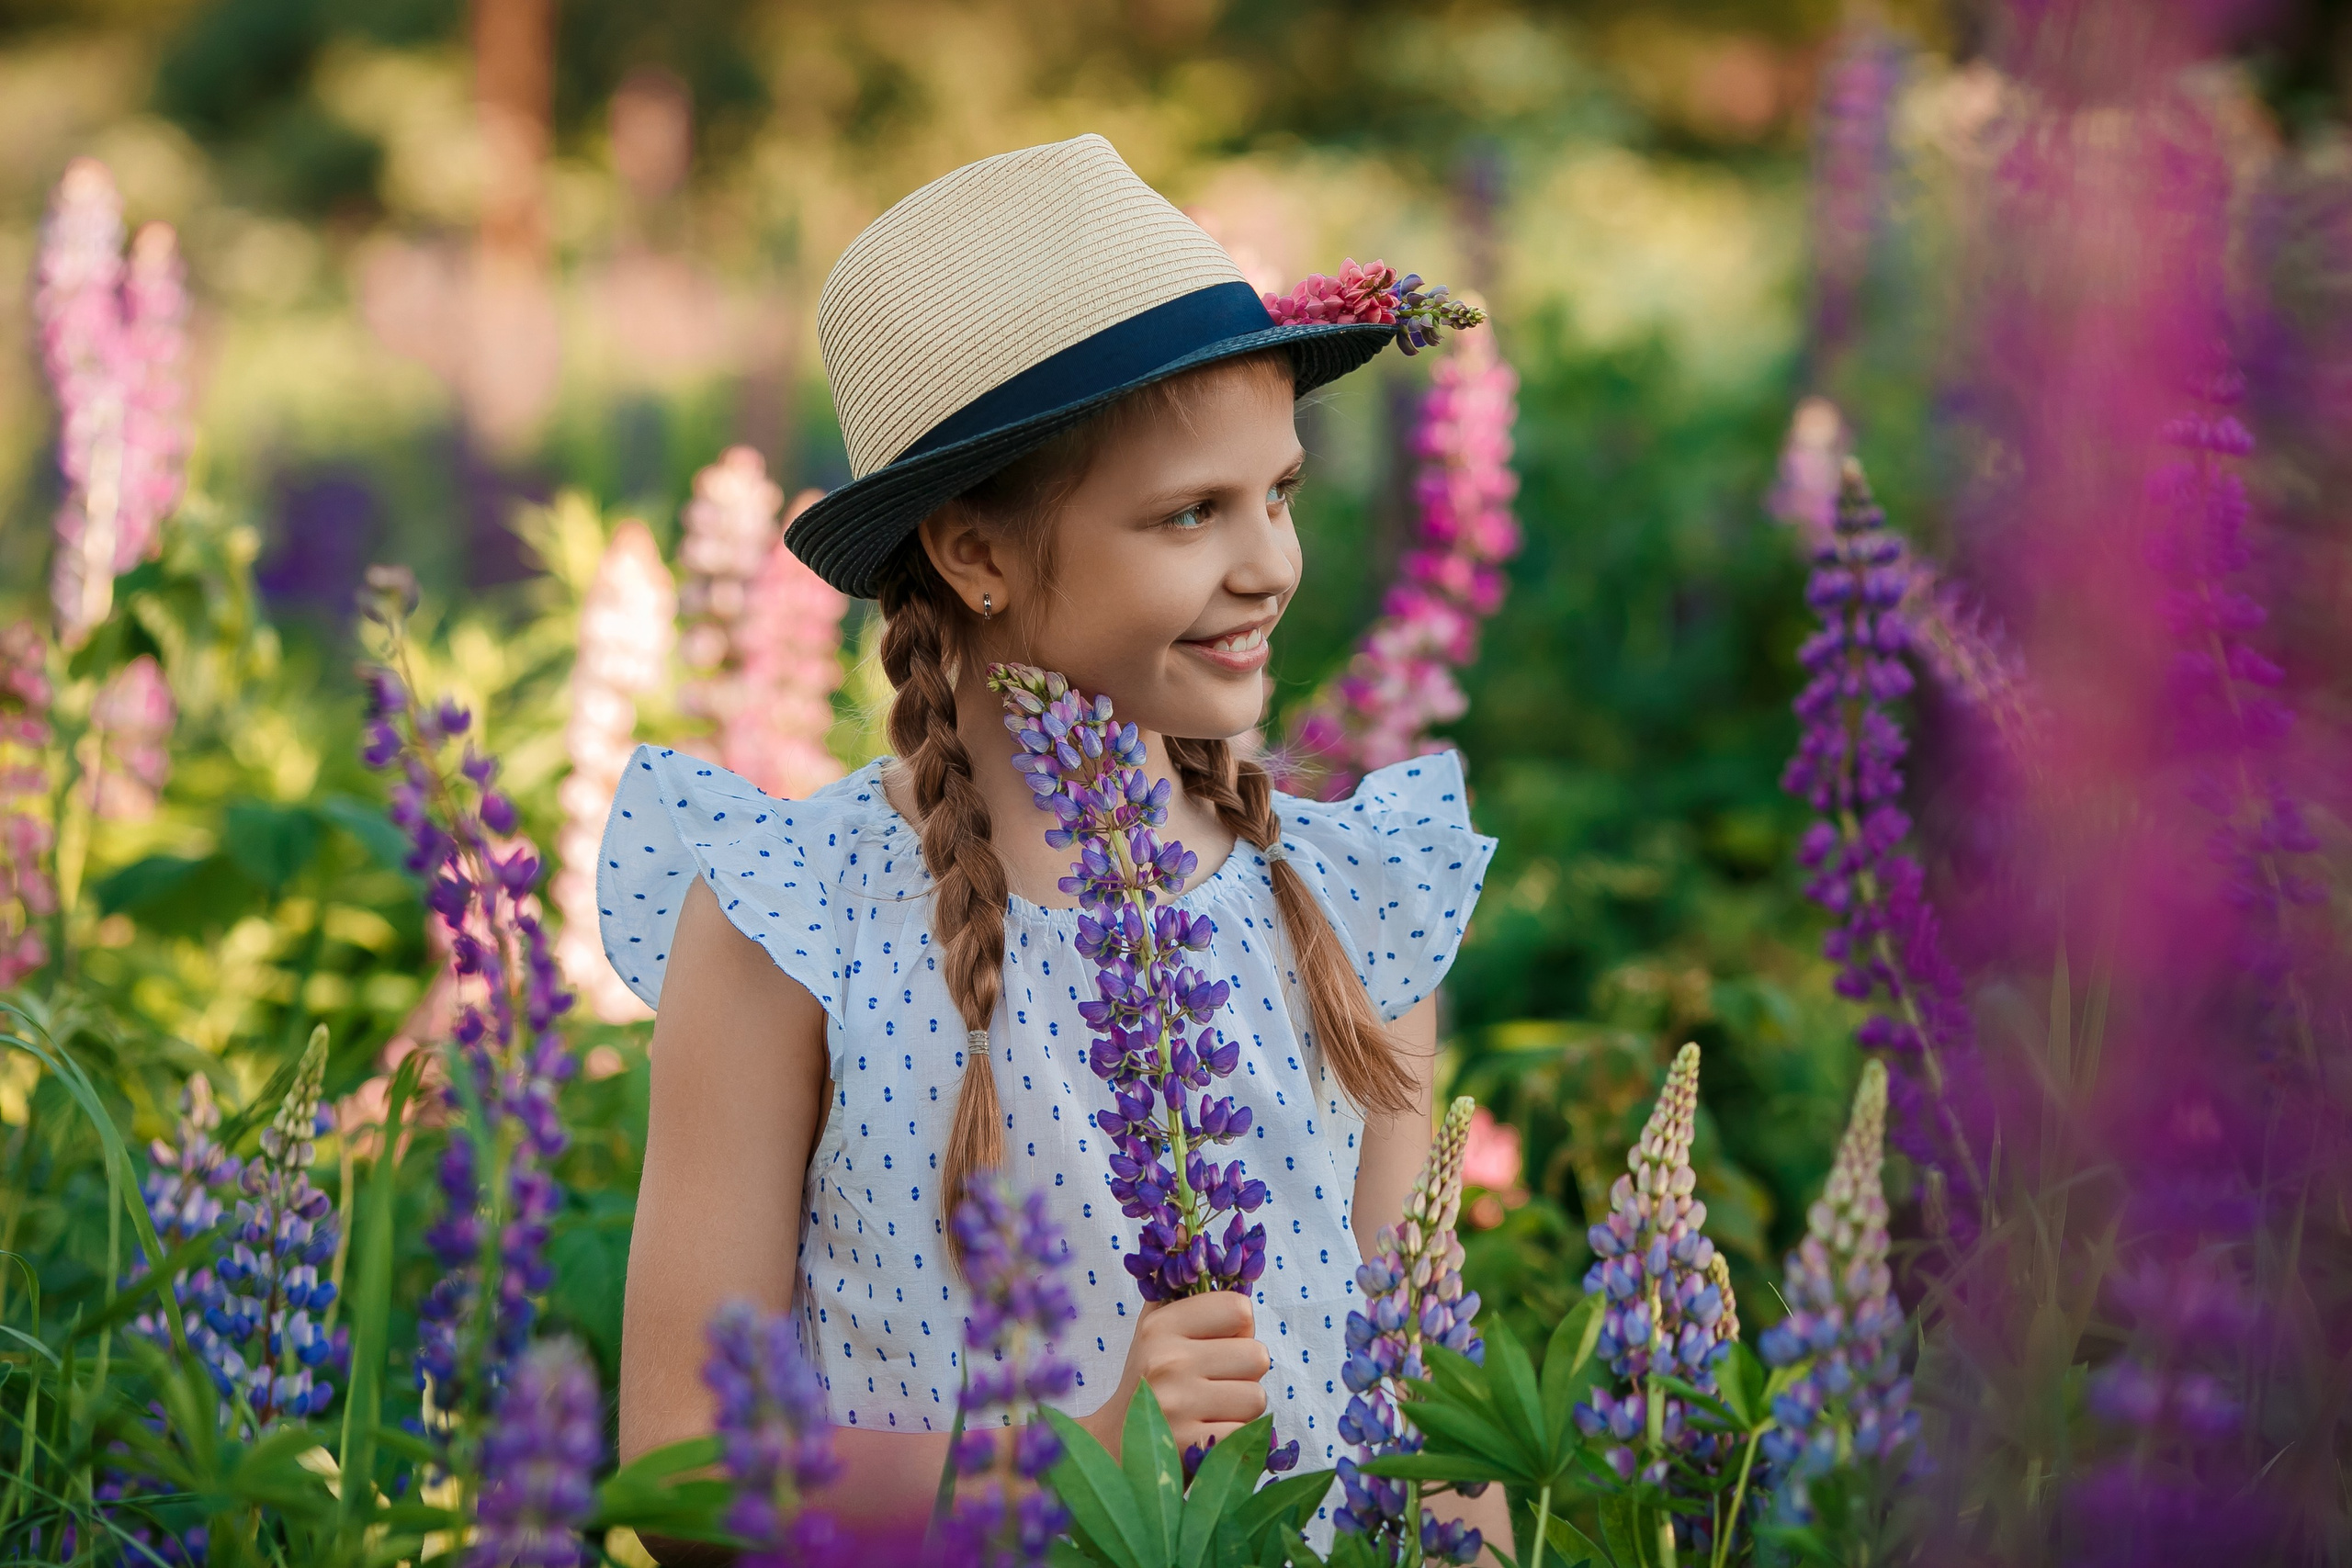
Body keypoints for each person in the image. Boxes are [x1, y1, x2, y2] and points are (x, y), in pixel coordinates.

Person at [602, 132, 1502, 1553]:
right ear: (974, 554)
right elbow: (679, 1474)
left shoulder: (1350, 899)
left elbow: (1428, 1411)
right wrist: (1068, 1468)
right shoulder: (794, 914)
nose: (1269, 561)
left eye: (1279, 492)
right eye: (1190, 513)